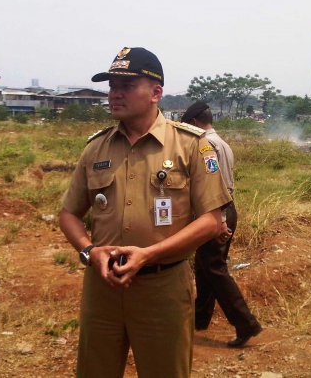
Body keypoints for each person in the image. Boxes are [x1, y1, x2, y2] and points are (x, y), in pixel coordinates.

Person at [59, 47, 233, 378]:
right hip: (103, 288)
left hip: (163, 288)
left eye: (125, 85)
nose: (115, 93)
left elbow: (211, 221)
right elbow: (68, 214)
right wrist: (89, 251)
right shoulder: (96, 148)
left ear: (155, 92)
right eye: (111, 86)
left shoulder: (192, 145)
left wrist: (148, 254)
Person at [181, 101, 263, 347]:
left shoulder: (205, 144)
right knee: (206, 265)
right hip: (224, 210)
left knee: (215, 268)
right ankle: (199, 319)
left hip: (215, 213)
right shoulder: (222, 143)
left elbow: (215, 186)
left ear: (194, 122)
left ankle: (245, 323)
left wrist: (220, 222)